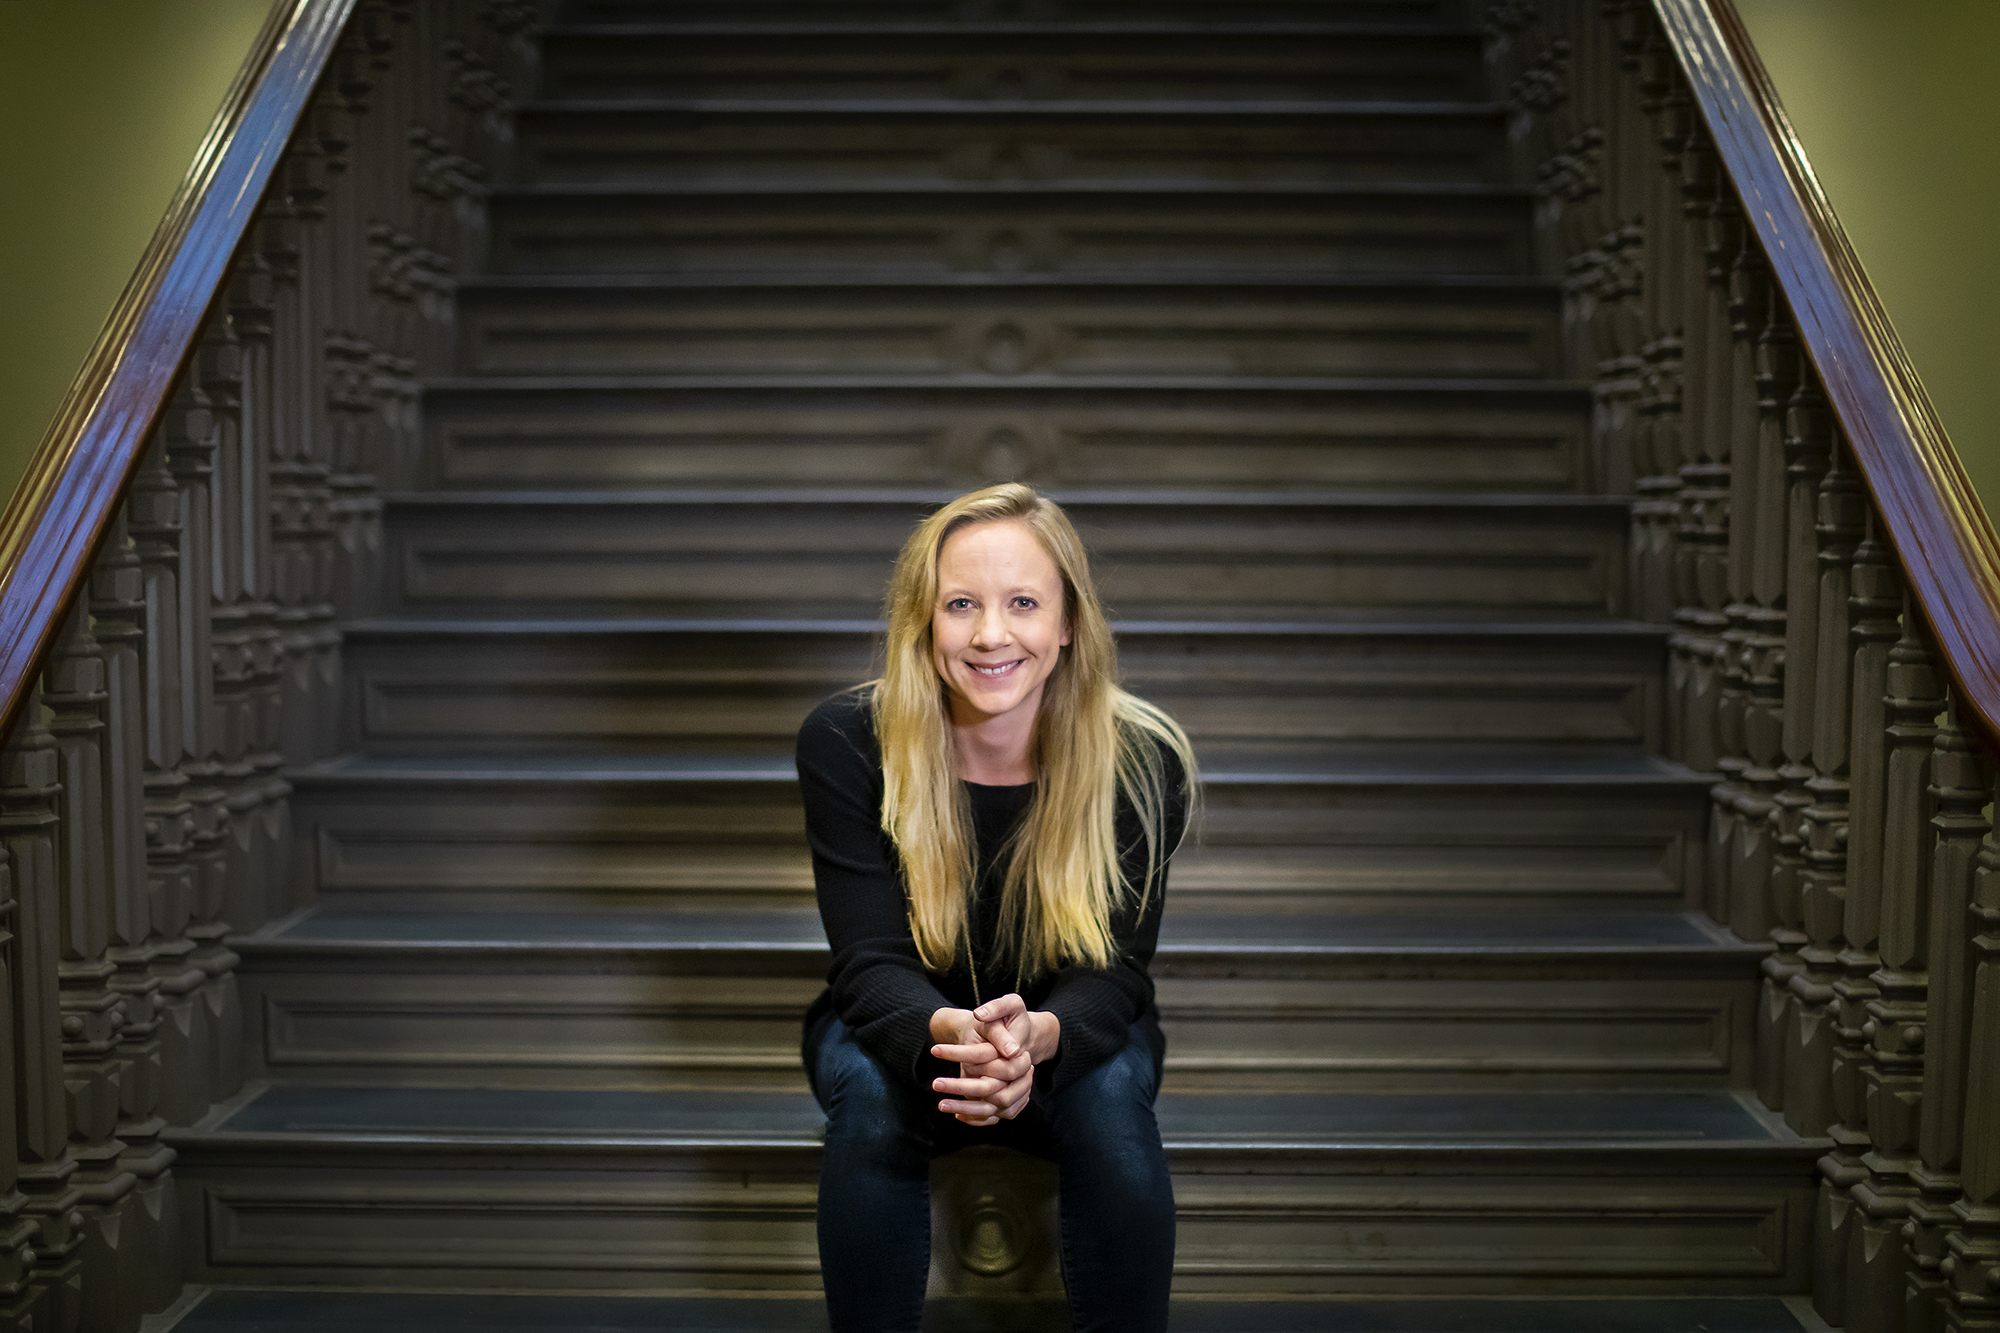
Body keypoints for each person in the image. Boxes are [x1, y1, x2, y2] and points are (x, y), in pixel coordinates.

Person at [796, 483, 1198, 1333]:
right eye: (961, 604)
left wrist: (1041, 1038)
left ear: (1067, 627)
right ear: (923, 623)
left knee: (1113, 1099)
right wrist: (950, 1033)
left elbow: (1116, 971)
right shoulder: (845, 741)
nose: (990, 633)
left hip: (1074, 1028)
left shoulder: (1142, 757)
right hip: (895, 1023)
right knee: (870, 1095)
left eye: (1022, 602)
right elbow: (867, 962)